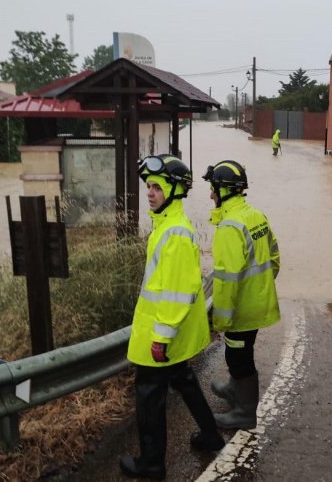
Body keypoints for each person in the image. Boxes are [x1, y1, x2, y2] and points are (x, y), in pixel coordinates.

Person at [120, 154, 225, 479]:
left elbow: (179, 291)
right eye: (148, 186)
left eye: (156, 187)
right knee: (183, 380)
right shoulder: (167, 226)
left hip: (161, 336)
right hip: (168, 333)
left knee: (149, 398)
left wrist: (160, 337)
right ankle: (210, 434)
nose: (149, 192)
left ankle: (152, 464)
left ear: (175, 191)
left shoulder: (176, 233)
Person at [201, 160, 281, 430]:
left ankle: (245, 412)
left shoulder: (228, 228)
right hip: (259, 305)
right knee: (241, 351)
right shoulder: (256, 215)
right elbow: (275, 257)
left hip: (241, 311)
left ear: (223, 190)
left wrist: (220, 320)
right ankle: (234, 390)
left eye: (213, 189)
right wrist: (262, 289)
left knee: (238, 357)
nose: (211, 195)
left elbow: (226, 281)